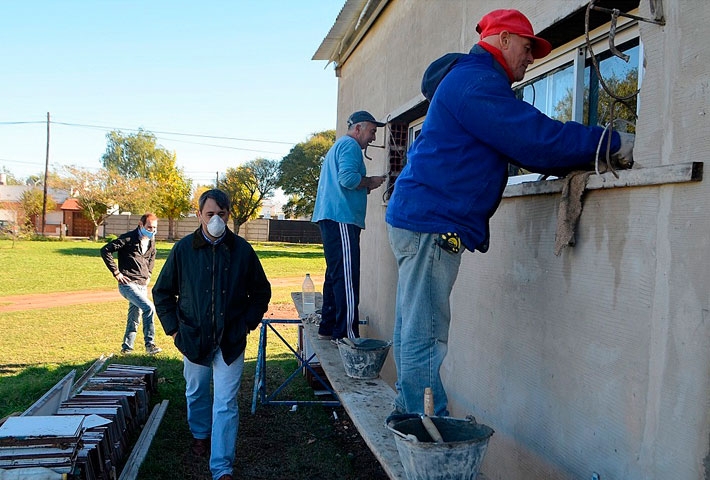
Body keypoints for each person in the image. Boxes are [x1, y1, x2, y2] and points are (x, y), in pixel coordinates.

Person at [385, 9, 635, 417]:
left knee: (414, 328)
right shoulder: (478, 82)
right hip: (430, 224)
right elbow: (535, 139)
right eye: (526, 46)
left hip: (419, 219)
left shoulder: (472, 81)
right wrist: (610, 142)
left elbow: (525, 146)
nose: (531, 57)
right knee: (424, 335)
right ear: (502, 40)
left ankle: (408, 415)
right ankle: (425, 434)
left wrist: (579, 156)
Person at [152, 189, 271, 480]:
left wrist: (246, 324)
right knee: (196, 391)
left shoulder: (242, 250)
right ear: (199, 215)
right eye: (209, 214)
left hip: (231, 340)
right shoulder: (183, 250)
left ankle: (222, 467)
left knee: (226, 402)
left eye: (221, 214)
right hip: (193, 338)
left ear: (228, 215)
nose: (216, 219)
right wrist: (175, 330)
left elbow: (260, 293)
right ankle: (200, 434)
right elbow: (162, 292)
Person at [312, 110, 387, 341]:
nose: (373, 138)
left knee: (335, 274)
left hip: (332, 217)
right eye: (372, 131)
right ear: (358, 128)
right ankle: (346, 335)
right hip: (341, 218)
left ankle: (328, 327)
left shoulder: (340, 146)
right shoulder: (351, 146)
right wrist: (371, 182)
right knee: (347, 277)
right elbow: (348, 179)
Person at [100, 212, 162, 355]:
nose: (152, 230)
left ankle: (127, 348)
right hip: (127, 284)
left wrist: (149, 274)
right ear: (141, 225)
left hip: (142, 284)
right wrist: (116, 272)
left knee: (134, 317)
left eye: (154, 228)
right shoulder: (127, 238)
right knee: (149, 308)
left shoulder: (151, 241)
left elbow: (152, 257)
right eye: (149, 227)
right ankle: (150, 344)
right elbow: (105, 250)